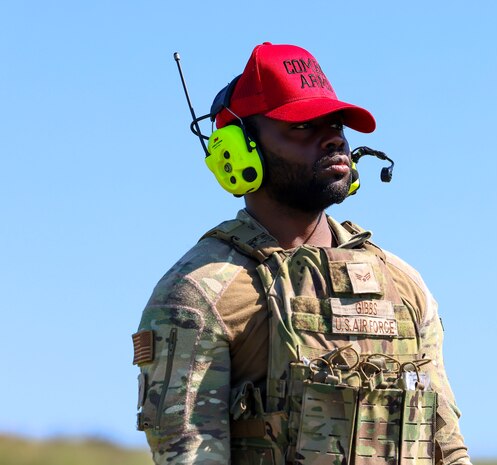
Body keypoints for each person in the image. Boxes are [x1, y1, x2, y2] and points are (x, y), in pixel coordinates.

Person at [132, 42, 472, 465]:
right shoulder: (202, 292)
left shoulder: (403, 285)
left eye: (336, 124)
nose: (332, 139)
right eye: (302, 126)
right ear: (239, 149)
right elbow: (189, 454)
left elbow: (447, 446)